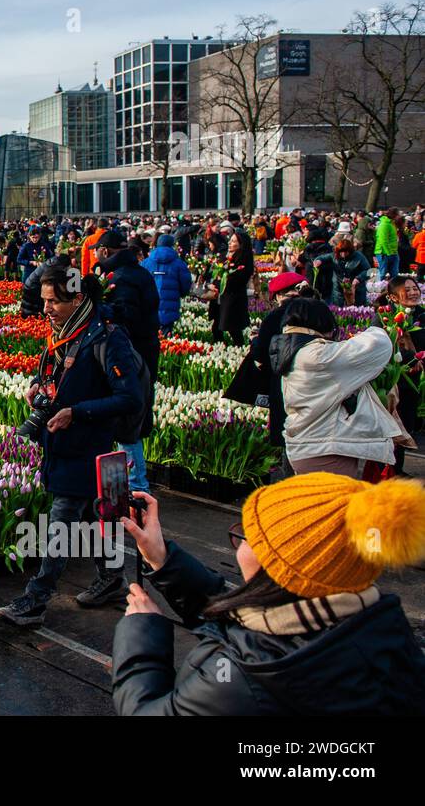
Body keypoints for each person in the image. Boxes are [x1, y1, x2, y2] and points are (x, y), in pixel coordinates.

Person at [112, 474, 425, 714]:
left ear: (278, 567)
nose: (241, 544)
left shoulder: (243, 678)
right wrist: (162, 558)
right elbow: (241, 617)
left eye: (249, 536)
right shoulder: (376, 624)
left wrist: (143, 631)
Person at [0, 266, 143, 626]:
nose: (44, 309)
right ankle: (111, 579)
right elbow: (58, 373)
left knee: (62, 526)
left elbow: (130, 398)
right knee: (99, 516)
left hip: (91, 448)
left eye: (52, 301)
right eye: (44, 300)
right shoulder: (67, 331)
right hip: (70, 443)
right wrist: (37, 384)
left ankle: (36, 599)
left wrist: (76, 412)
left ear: (77, 299)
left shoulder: (108, 338)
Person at [270, 298, 401, 478]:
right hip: (323, 449)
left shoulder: (294, 351)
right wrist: (378, 325)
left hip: (308, 444)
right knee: (334, 503)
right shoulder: (317, 356)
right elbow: (378, 346)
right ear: (321, 322)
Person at [94, 229, 159, 496]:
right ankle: (130, 484)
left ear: (106, 251)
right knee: (130, 424)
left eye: (97, 250)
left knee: (126, 424)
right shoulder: (141, 272)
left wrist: (102, 310)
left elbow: (127, 319)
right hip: (145, 352)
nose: (96, 254)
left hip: (130, 358)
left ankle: (135, 487)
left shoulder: (119, 279)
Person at [246, 272, 314, 479]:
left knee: (288, 433)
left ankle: (291, 482)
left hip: (284, 382)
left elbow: (261, 353)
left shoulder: (276, 315)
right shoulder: (317, 310)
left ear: (277, 296)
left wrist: (256, 340)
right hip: (314, 382)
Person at [378, 275, 425, 474]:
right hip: (394, 381)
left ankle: (398, 468)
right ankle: (386, 469)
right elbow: (379, 345)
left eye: (415, 288)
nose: (414, 292)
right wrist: (410, 359)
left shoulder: (422, 315)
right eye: (407, 289)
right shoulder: (384, 317)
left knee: (407, 423)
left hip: (418, 379)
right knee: (392, 425)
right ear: (393, 297)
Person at [207, 230, 254, 346]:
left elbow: (238, 280)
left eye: (233, 241)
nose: (230, 243)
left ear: (241, 244)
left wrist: (225, 274)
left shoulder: (243, 260)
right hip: (220, 298)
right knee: (216, 326)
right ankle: (219, 347)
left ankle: (240, 348)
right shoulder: (225, 257)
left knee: (233, 328)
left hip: (232, 299)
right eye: (230, 240)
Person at [141, 234, 192, 331]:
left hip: (150, 307)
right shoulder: (179, 263)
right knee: (167, 339)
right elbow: (186, 284)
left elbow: (140, 282)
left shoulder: (145, 263)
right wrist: (179, 293)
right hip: (170, 306)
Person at [313, 234, 371, 307]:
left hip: (357, 288)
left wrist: (358, 278)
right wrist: (318, 261)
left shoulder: (359, 256)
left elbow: (368, 271)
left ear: (350, 251)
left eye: (346, 252)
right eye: (341, 252)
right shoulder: (334, 256)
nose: (343, 254)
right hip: (338, 288)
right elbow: (322, 258)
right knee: (338, 311)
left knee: (358, 311)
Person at [375, 208, 400, 279]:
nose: (399, 216)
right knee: (382, 274)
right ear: (394, 215)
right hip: (384, 253)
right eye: (398, 214)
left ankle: (393, 289)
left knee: (394, 274)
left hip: (392, 252)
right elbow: (383, 240)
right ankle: (379, 288)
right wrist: (389, 253)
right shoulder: (385, 224)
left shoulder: (391, 223)